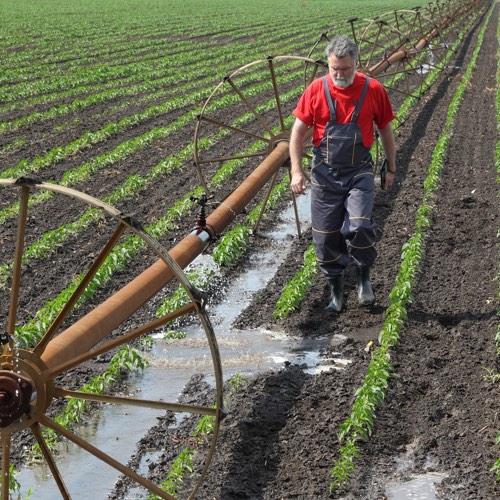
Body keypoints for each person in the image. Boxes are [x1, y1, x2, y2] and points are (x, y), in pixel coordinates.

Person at [289, 34, 397, 312]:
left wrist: (391, 167)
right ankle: (336, 290)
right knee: (325, 236)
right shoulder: (315, 90)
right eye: (334, 69)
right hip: (325, 173)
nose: (339, 74)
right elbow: (298, 132)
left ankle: (363, 277)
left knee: (360, 226)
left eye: (345, 69)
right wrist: (297, 171)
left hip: (359, 171)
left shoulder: (373, 90)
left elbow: (385, 128)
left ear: (355, 64)